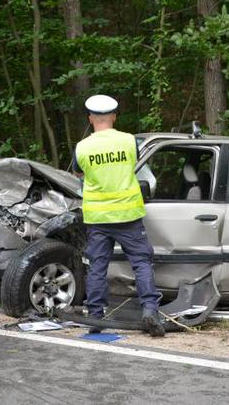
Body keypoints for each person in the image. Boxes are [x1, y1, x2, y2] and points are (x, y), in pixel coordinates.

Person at [73, 94, 165, 337]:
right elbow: (132, 166)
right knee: (141, 263)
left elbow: (80, 175)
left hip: (98, 218)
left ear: (90, 118)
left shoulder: (82, 148)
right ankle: (150, 311)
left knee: (97, 267)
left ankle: (95, 316)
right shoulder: (128, 141)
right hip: (128, 214)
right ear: (114, 116)